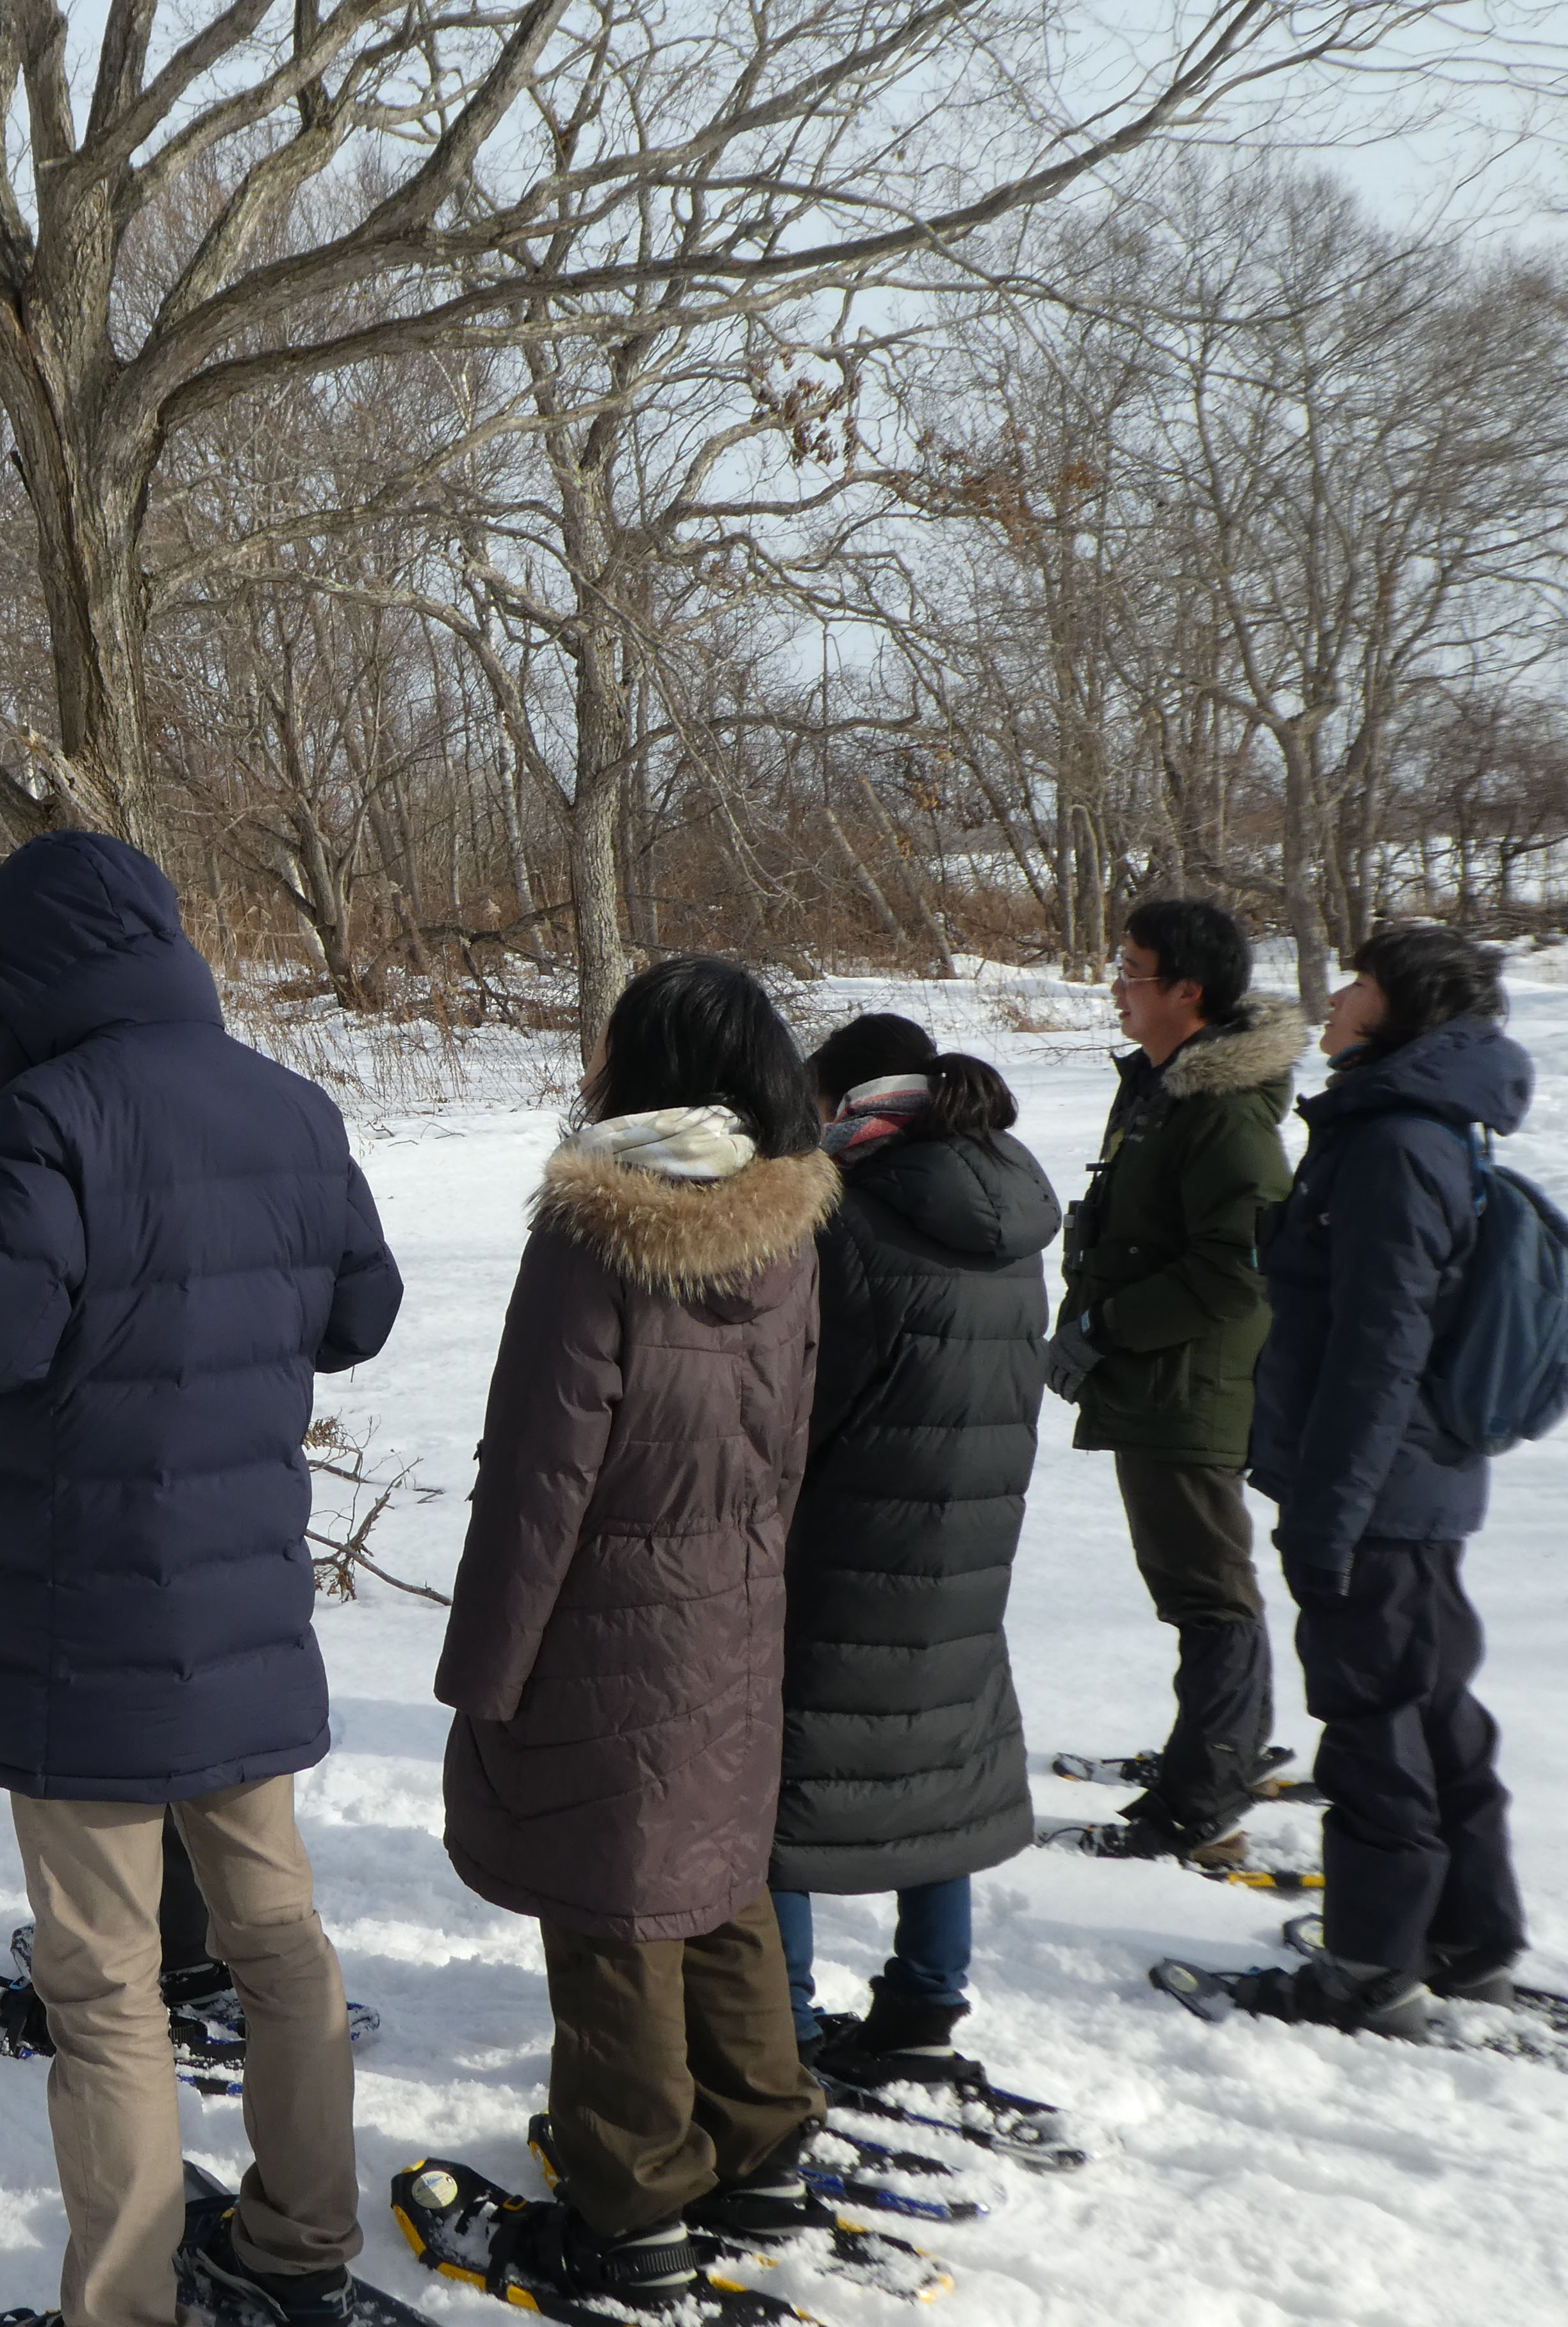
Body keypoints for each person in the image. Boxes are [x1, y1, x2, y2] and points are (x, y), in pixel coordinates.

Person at [0, 831, 402, 2327]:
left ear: (31, 977)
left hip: (78, 1622)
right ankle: (303, 2244)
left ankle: (122, 2309)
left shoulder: (54, 1116)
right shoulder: (293, 1104)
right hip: (241, 1612)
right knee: (278, 1943)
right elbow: (359, 1314)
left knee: (105, 1986)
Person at [425, 957, 839, 2320]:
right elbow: (788, 1447)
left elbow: (538, 1477)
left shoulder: (596, 1226)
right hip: (734, 1604)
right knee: (716, 1879)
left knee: (613, 1909)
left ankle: (636, 2207)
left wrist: (487, 1672)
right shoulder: (787, 1222)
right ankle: (762, 2151)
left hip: (602, 1619)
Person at [1239, 924, 1531, 2036]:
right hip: (1416, 1482)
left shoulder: (1395, 1144)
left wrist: (1331, 1513)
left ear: (1402, 1010)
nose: (1334, 997)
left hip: (1379, 1487)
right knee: (1433, 1707)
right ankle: (1468, 1937)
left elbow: (1379, 1345)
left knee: (1372, 1718)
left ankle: (1370, 1965)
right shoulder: (1415, 1126)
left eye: (1357, 983)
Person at [770, 1015, 1056, 2094]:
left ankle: (781, 2026)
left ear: (845, 1101)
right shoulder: (1009, 1206)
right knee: (942, 1769)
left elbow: (806, 1409)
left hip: (845, 1544)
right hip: (970, 1539)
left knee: (786, 1786)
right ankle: (926, 2005)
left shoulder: (849, 1218)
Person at [1046, 898, 1305, 1860]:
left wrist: (1108, 1328)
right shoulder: (1164, 1089)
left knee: (1206, 1590)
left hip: (1188, 1388)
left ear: (1187, 991)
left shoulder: (1222, 1111)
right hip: (1157, 1382)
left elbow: (1238, 1267)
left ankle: (1204, 1796)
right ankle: (1219, 1744)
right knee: (1199, 1580)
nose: (1117, 984)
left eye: (1133, 969)